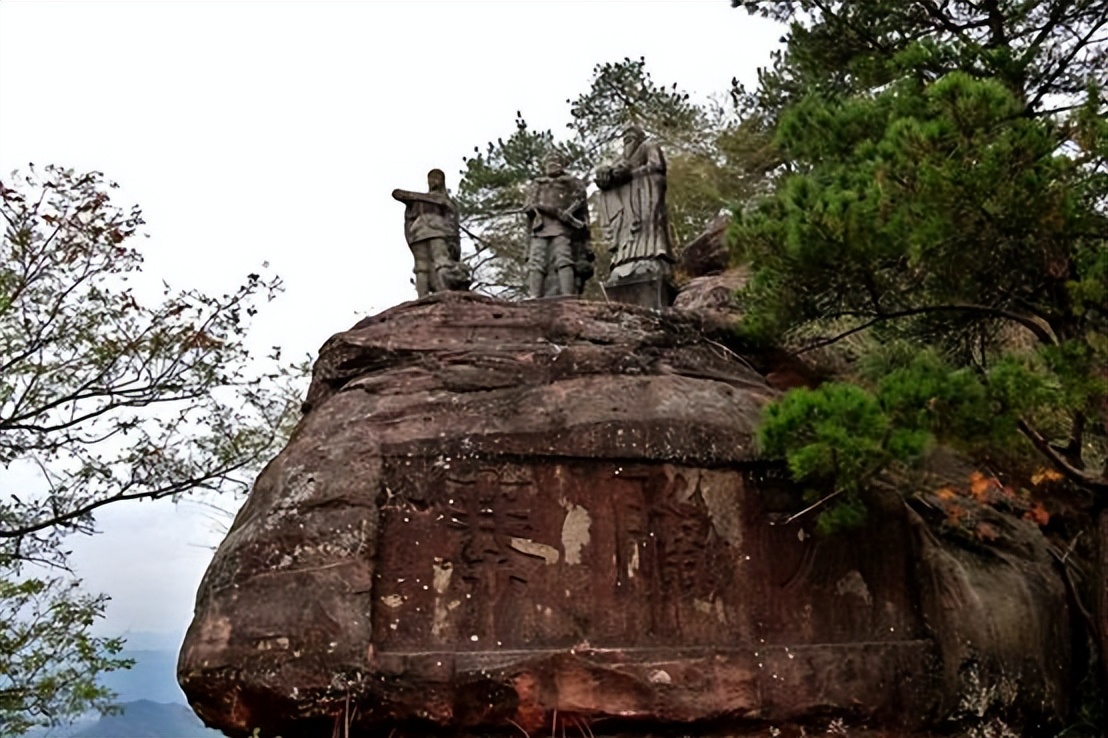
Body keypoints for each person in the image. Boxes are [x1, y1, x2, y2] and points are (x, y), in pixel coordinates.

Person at [594, 125, 674, 283]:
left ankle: (651, 257)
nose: (627, 140)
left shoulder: (648, 146)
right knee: (625, 231)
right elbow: (612, 173)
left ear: (639, 138)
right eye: (624, 138)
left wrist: (631, 174)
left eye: (631, 136)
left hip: (644, 195)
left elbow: (657, 166)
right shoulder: (621, 159)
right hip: (627, 202)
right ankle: (623, 262)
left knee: (646, 225)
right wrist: (606, 174)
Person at [392, 169, 470, 297]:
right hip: (420, 233)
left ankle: (443, 290)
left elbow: (452, 219)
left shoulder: (445, 201)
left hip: (437, 231)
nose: (433, 181)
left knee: (440, 261)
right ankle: (423, 295)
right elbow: (397, 196)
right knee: (422, 265)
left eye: (436, 178)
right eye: (431, 178)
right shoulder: (420, 201)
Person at [523, 153, 590, 298]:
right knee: (536, 261)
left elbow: (581, 203)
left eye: (555, 161)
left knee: (563, 259)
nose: (552, 164)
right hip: (540, 227)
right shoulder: (538, 184)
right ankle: (534, 295)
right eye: (549, 161)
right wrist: (532, 208)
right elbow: (528, 206)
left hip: (561, 228)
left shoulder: (572, 183)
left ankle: (567, 294)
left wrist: (567, 215)